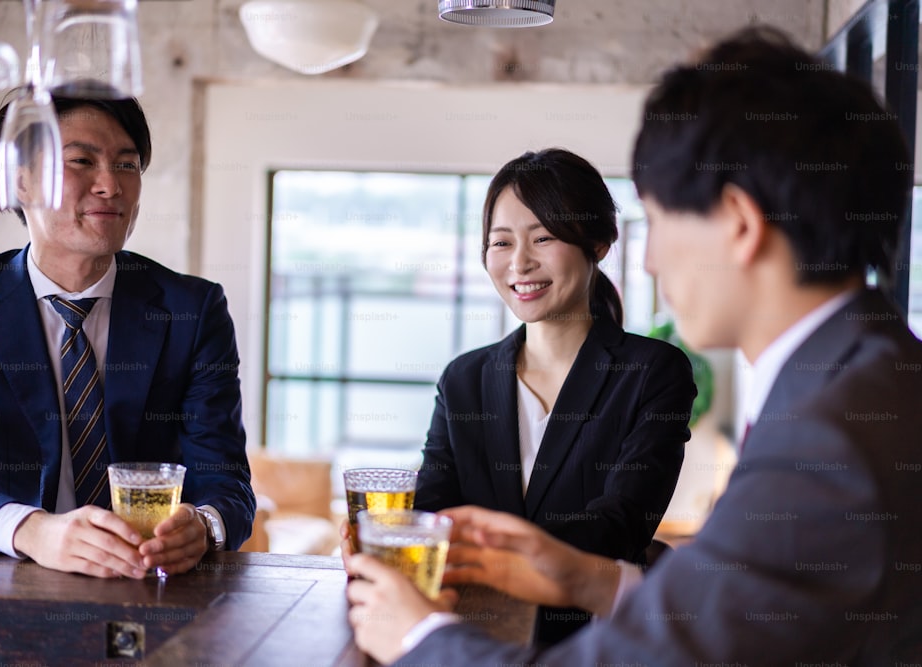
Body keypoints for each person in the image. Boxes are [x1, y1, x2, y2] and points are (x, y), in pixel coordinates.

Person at [344, 26, 922, 665]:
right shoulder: (871, 377)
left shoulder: (828, 439)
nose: (648, 262)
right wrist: (580, 576)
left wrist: (417, 639)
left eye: (661, 221)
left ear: (737, 224)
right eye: (502, 241)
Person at [0, 87, 256, 578]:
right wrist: (30, 529)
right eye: (81, 161)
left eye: (127, 165)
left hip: (154, 584)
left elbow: (227, 483)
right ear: (19, 182)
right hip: (12, 582)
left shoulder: (193, 308)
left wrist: (203, 526)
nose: (110, 185)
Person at [412, 147, 696, 642]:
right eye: (501, 242)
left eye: (542, 238)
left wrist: (492, 553)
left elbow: (623, 524)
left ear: (599, 243)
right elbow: (431, 512)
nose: (520, 262)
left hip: (595, 641)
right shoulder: (463, 379)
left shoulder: (652, 372)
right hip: (473, 633)